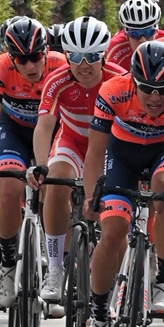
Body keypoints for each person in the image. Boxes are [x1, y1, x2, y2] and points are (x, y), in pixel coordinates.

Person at [82, 41, 164, 327]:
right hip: (122, 157)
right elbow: (96, 152)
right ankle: (97, 314)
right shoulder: (112, 91)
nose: (154, 98)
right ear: (133, 81)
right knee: (112, 232)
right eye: (147, 89)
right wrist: (90, 195)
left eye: (162, 89)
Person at [0, 18, 66, 312]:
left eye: (35, 57)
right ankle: (9, 267)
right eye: (21, 59)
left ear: (46, 51)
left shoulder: (61, 64)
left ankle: (57, 269)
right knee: (8, 187)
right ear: (11, 58)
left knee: (55, 188)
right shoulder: (0, 67)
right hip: (13, 130)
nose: (30, 66)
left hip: (51, 130)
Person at [28, 16, 115, 307]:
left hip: (107, 148)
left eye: (92, 56)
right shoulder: (58, 81)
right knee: (55, 180)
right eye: (75, 57)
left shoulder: (117, 79)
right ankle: (55, 268)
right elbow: (43, 127)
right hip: (73, 142)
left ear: (103, 54)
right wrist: (41, 165)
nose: (84, 65)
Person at [105, 0, 164, 74]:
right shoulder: (114, 49)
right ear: (126, 34)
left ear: (156, 31)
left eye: (148, 32)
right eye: (135, 34)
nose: (143, 40)